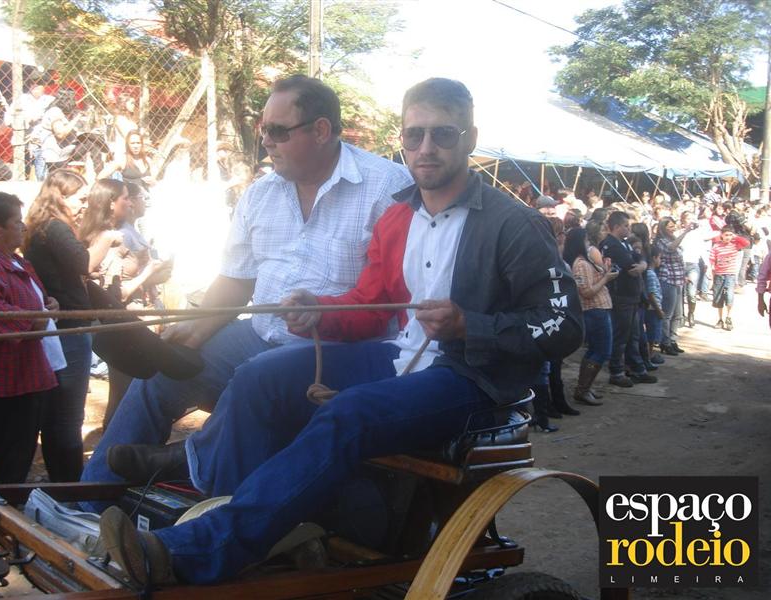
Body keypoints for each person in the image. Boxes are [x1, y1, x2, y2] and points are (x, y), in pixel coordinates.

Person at [97, 77, 583, 587]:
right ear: (402, 139)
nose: (426, 148)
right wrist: (320, 312)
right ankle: (235, 524)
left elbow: (565, 324)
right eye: (414, 135)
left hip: (471, 377)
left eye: (443, 134)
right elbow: (372, 307)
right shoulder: (398, 217)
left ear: (470, 139)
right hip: (400, 358)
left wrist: (469, 325)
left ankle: (196, 549)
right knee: (261, 375)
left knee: (351, 412)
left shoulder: (513, 223)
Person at [80, 75, 413, 491]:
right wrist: (195, 329)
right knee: (158, 373)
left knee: (255, 377)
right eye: (263, 130)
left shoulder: (388, 186)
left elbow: (393, 296)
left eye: (278, 131)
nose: (266, 142)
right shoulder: (260, 194)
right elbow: (236, 280)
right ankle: (87, 502)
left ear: (321, 130)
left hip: (336, 350)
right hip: (256, 335)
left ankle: (193, 469)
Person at [0, 192, 64, 483]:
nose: (23, 227)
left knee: (20, 451)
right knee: (8, 455)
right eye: (17, 222)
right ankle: (1, 506)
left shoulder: (15, 262)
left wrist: (49, 305)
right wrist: (35, 317)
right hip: (6, 382)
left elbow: (33, 302)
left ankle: (7, 502)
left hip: (26, 374)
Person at [79, 179, 171, 428]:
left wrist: (158, 274)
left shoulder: (123, 232)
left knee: (136, 392)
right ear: (111, 203)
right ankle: (111, 446)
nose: (130, 203)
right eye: (125, 198)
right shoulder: (110, 240)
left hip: (139, 321)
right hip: (124, 325)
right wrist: (149, 272)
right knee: (124, 395)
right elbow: (115, 294)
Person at [23, 170, 93, 481]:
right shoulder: (55, 227)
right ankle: (71, 485)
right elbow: (84, 263)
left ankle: (61, 481)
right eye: (80, 199)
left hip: (57, 325)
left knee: (55, 412)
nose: (85, 205)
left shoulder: (41, 226)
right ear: (61, 197)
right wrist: (105, 238)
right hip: (69, 329)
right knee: (67, 415)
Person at [600, 211, 657, 387]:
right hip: (621, 296)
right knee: (621, 335)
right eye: (625, 226)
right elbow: (630, 265)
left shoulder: (623, 243)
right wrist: (640, 264)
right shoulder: (611, 245)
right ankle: (616, 371)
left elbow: (639, 258)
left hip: (631, 295)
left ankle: (637, 368)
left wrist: (642, 264)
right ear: (616, 226)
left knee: (633, 335)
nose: (628, 229)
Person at [564, 227, 618, 405]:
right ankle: (583, 389)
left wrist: (605, 272)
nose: (588, 244)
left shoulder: (584, 261)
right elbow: (586, 292)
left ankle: (585, 387)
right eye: (586, 240)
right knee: (602, 350)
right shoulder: (580, 264)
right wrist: (606, 279)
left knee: (596, 350)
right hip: (594, 310)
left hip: (598, 309)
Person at [654, 217, 691, 355]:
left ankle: (673, 339)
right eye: (670, 226)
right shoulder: (661, 241)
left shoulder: (673, 238)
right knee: (667, 314)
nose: (673, 228)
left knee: (678, 314)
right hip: (668, 279)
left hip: (679, 279)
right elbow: (671, 248)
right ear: (663, 228)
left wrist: (684, 276)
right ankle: (665, 342)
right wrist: (685, 232)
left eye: (673, 226)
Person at [709, 226, 750, 330]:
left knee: (729, 296)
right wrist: (711, 270)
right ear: (722, 235)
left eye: (730, 235)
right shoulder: (717, 246)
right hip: (719, 274)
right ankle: (720, 319)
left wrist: (735, 237)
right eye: (726, 235)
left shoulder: (735, 244)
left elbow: (746, 243)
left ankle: (729, 317)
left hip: (730, 274)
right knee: (719, 298)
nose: (728, 237)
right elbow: (712, 258)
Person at [99, 130, 155, 196]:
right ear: (128, 145)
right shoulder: (123, 160)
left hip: (146, 198)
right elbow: (100, 177)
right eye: (132, 143)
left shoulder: (148, 161)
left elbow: (153, 184)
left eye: (138, 143)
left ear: (142, 144)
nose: (136, 146)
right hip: (129, 199)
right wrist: (115, 191)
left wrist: (153, 182)